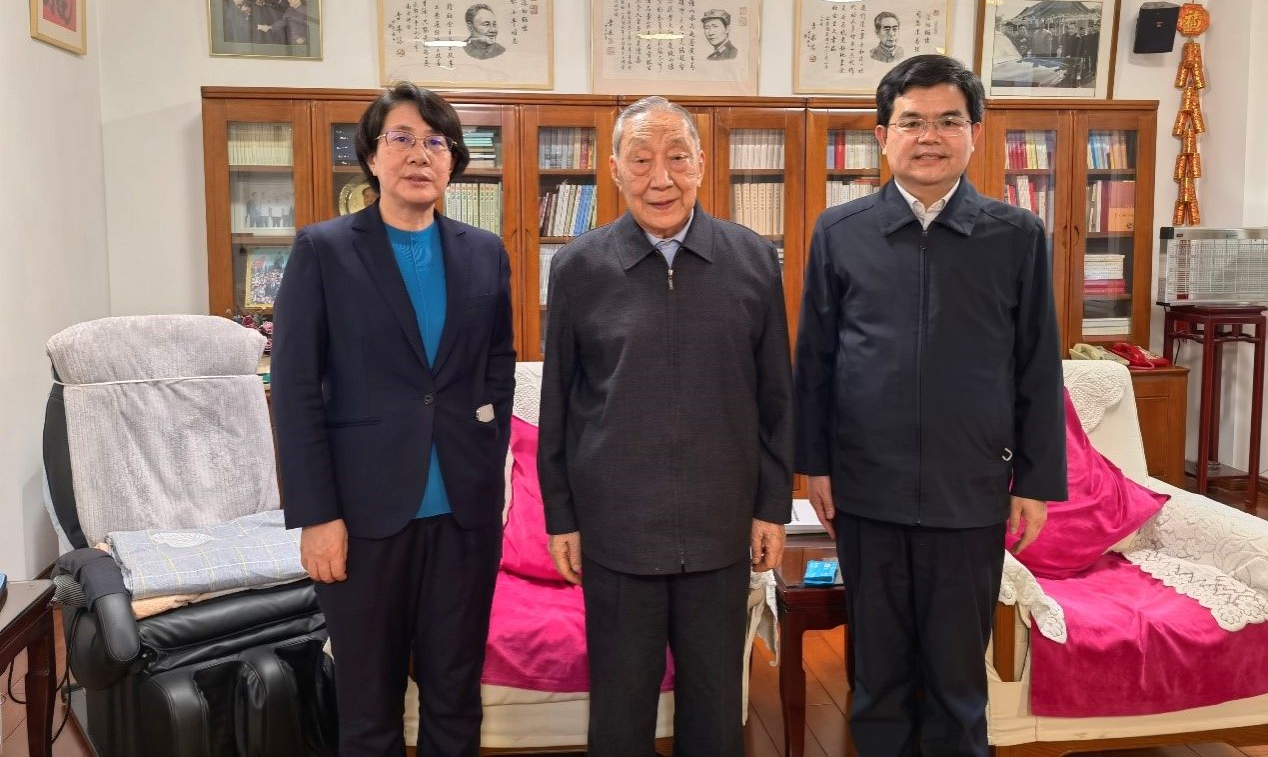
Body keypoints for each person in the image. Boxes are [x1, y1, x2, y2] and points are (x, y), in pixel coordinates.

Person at [793, 54, 1066, 757]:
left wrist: (1035, 481)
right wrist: (815, 465)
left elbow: (1037, 365)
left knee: (955, 678)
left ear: (976, 133)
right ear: (883, 135)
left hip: (969, 490)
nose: (929, 137)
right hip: (867, 488)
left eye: (948, 121)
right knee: (877, 676)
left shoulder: (1016, 235)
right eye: (911, 122)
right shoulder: (840, 231)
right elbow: (815, 359)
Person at [538, 95, 794, 756]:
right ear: (614, 169)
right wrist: (561, 516)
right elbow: (559, 405)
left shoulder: (752, 260)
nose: (661, 178)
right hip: (617, 533)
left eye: (677, 158)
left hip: (720, 530)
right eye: (641, 160)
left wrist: (771, 506)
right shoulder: (577, 268)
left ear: (701, 164)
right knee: (621, 715)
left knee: (716, 711)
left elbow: (776, 397)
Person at [272, 82, 515, 756]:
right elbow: (294, 391)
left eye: (436, 141)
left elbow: (498, 365)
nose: (419, 154)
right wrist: (317, 516)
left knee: (455, 702)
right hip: (361, 521)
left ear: (452, 161)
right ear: (372, 157)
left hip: (464, 517)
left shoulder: (484, 252)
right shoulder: (323, 250)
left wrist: (485, 456)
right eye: (401, 138)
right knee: (369, 712)